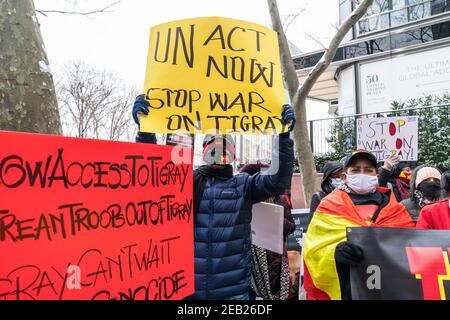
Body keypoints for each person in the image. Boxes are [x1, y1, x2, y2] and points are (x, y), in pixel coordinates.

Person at [131, 94, 296, 300]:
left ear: (234, 155)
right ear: (204, 151)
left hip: (234, 295)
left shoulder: (244, 184)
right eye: (214, 147)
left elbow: (278, 180)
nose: (220, 152)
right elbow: (152, 177)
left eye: (225, 147)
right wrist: (145, 131)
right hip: (186, 291)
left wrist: (283, 137)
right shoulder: (183, 182)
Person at [303, 150, 414, 300]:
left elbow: (410, 249)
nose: (362, 174)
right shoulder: (328, 206)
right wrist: (334, 254)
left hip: (387, 289)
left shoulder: (395, 208)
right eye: (355, 170)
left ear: (376, 175)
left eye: (368, 170)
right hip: (346, 290)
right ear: (345, 176)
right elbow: (312, 252)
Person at [240, 163, 296, 300]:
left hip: (276, 255)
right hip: (250, 255)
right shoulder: (244, 200)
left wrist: (273, 217)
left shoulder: (280, 199)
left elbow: (291, 227)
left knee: (275, 293)